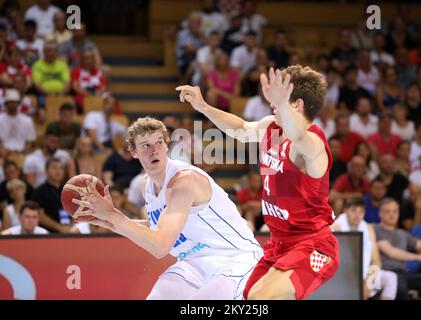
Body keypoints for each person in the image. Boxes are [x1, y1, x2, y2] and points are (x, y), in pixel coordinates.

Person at [176, 65, 339, 300]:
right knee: (248, 299)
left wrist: (282, 103)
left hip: (314, 245)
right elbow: (241, 129)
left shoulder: (312, 144)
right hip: (279, 244)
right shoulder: (271, 127)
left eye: (279, 101)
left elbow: (300, 137)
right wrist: (203, 106)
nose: (272, 104)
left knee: (261, 299)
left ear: (297, 104)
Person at [71, 117, 263, 300]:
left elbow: (160, 246)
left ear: (167, 146)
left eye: (159, 143)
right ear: (133, 152)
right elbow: (159, 227)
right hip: (194, 263)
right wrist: (106, 220)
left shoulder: (183, 182)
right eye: (146, 145)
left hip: (234, 258)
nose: (154, 150)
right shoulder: (145, 184)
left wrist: (113, 215)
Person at [374, 198, 421, 300]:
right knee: (401, 289)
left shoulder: (402, 233)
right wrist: (420, 257)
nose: (392, 215)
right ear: (380, 213)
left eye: (395, 211)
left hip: (404, 273)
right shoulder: (374, 229)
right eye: (388, 211)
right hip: (383, 273)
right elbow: (391, 252)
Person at [332, 197, 398, 300]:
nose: (357, 215)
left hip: (365, 274)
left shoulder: (368, 229)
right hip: (342, 275)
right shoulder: (336, 227)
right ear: (346, 210)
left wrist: (369, 282)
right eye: (354, 210)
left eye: (361, 211)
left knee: (391, 278)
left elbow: (376, 261)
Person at [32, 158, 73, 233]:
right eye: (54, 168)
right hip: (49, 234)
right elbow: (40, 215)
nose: (58, 171)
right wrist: (59, 227)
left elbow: (76, 210)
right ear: (46, 171)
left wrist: (72, 226)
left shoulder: (68, 190)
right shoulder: (39, 191)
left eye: (60, 168)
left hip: (70, 231)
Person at [0, 89, 36, 153]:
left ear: (18, 104)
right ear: (6, 104)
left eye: (14, 102)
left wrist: (23, 153)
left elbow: (30, 141)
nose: (12, 104)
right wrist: (3, 152)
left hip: (22, 152)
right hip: (2, 153)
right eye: (10, 102)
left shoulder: (27, 120)